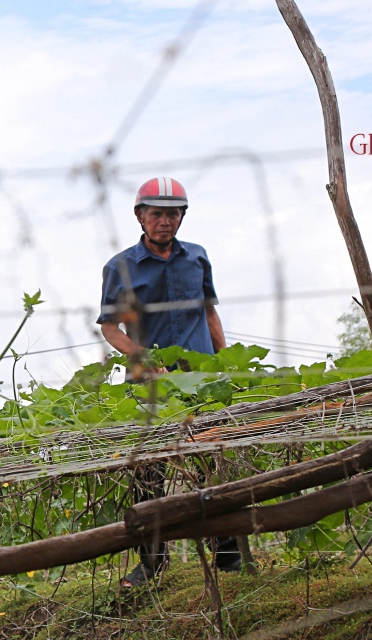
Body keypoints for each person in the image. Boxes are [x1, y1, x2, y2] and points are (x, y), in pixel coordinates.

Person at [98, 176, 242, 587]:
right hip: (149, 385)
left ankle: (227, 554)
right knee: (149, 472)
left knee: (213, 461)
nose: (165, 221)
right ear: (140, 216)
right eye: (157, 213)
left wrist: (224, 363)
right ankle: (152, 562)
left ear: (183, 216)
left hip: (201, 381)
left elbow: (209, 314)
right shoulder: (120, 268)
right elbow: (111, 328)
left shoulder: (197, 258)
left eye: (173, 213)